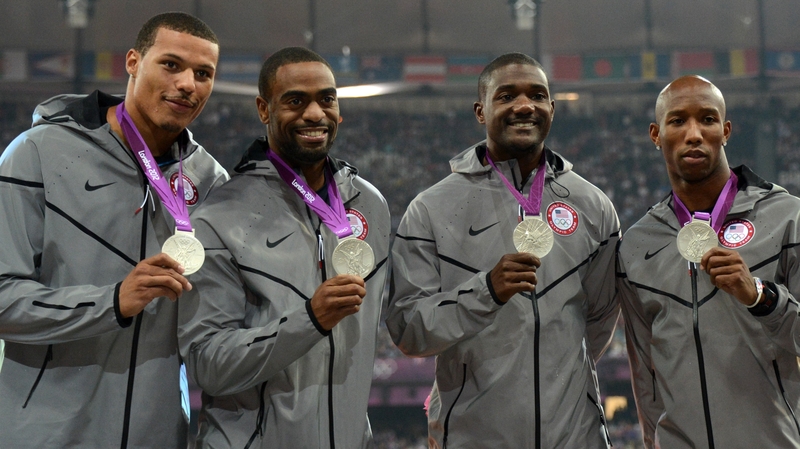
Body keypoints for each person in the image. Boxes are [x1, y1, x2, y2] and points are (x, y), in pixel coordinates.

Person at [0, 12, 227, 448]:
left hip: (157, 435)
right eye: (171, 65)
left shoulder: (212, 182)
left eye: (204, 74)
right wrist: (111, 302)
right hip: (46, 436)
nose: (188, 84)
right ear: (132, 62)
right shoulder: (38, 152)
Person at [386, 52, 620, 448]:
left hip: (576, 436)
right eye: (507, 95)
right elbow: (408, 329)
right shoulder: (430, 208)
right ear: (481, 110)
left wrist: (554, 376)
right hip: (473, 437)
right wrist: (486, 292)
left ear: (551, 108)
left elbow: (597, 320)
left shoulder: (593, 206)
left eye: (537, 95)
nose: (524, 105)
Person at [177, 47, 390, 448]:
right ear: (264, 108)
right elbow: (207, 365)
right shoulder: (220, 215)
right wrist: (309, 320)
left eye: (326, 99)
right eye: (295, 101)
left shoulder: (370, 205)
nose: (314, 114)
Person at [618, 75, 800, 448]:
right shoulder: (637, 244)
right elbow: (645, 373)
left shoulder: (787, 218)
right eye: (678, 121)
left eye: (707, 119)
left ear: (726, 130)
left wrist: (760, 297)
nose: (694, 133)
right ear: (656, 135)